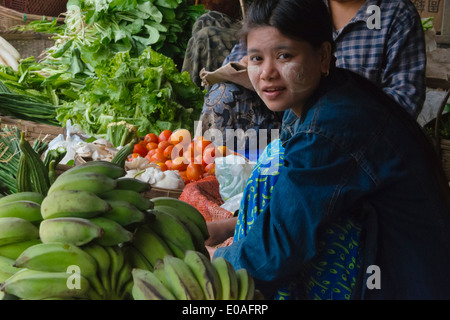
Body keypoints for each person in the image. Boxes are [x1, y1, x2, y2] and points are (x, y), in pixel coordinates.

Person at [208, 0, 450, 300]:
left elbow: (280, 248)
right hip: (391, 253)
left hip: (403, 278)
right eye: (256, 58)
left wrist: (212, 264)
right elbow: (297, 202)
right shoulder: (318, 99)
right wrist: (224, 230)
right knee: (274, 166)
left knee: (275, 235)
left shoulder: (331, 126)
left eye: (285, 55)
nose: (267, 72)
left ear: (323, 56)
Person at [185, 0, 426, 153]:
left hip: (353, 136)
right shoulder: (293, 4)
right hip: (281, 123)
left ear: (324, 55)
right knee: (223, 95)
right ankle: (222, 182)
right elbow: (240, 58)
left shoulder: (395, 13)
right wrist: (261, 62)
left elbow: (404, 100)